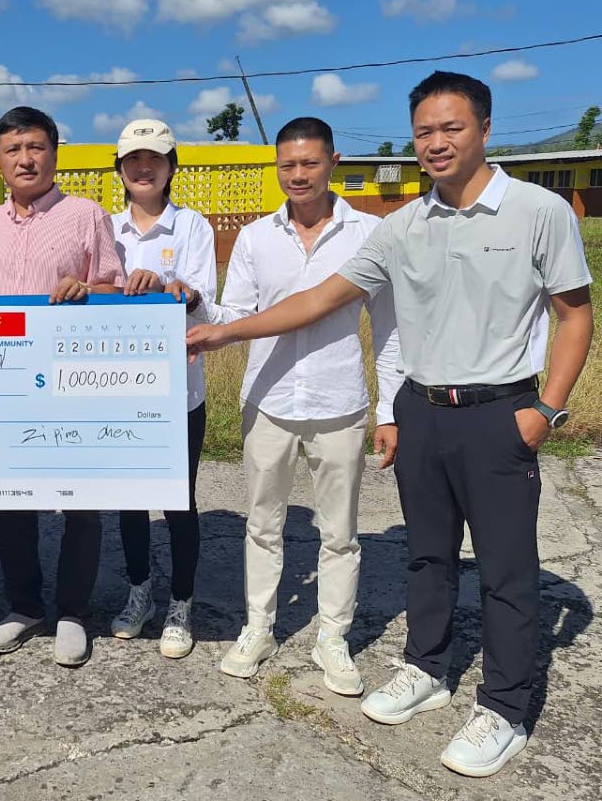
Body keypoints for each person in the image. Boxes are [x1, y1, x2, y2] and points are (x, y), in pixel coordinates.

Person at [187, 72, 594, 778]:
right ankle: (426, 668)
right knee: (427, 556)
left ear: (485, 129)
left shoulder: (538, 209)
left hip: (500, 411)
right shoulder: (403, 226)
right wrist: (222, 333)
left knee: (505, 569)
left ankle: (504, 707)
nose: (436, 143)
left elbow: (574, 313)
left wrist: (546, 409)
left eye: (451, 128)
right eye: (424, 131)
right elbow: (322, 298)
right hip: (421, 408)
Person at [199, 117, 402, 695]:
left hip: (340, 403)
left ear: (333, 162)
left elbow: (389, 329)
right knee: (263, 525)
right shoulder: (256, 237)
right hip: (268, 401)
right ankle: (259, 627)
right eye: (287, 165)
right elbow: (235, 315)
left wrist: (389, 409)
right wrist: (193, 305)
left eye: (310, 163)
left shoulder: (369, 233)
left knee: (340, 533)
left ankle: (333, 638)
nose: (298, 175)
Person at [0, 106, 125, 667]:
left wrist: (86, 289)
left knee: (79, 502)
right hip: (5, 383)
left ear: (55, 155)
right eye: (13, 150)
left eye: (35, 147)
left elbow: (117, 290)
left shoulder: (87, 215)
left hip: (71, 380)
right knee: (10, 501)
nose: (25, 159)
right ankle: (24, 606)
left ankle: (72, 613)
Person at [106, 119, 215, 660]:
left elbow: (206, 304)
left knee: (178, 501)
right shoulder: (107, 229)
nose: (143, 168)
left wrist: (177, 290)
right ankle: (138, 592)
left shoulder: (192, 226)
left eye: (154, 158)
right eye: (133, 160)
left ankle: (181, 603)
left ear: (172, 167)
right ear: (120, 170)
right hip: (119, 390)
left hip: (179, 393)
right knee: (128, 500)